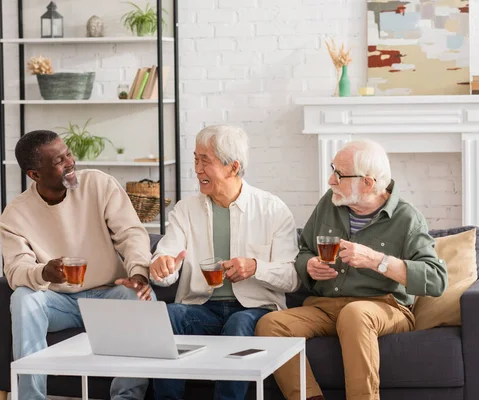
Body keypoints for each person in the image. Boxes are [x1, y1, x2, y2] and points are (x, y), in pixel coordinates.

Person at [256, 140, 448, 400]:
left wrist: (377, 260)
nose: (330, 180)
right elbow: (303, 251)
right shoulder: (329, 204)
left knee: (354, 314)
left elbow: (436, 279)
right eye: (332, 169)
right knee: (270, 324)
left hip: (384, 307)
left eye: (339, 174)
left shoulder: (407, 218)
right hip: (325, 306)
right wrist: (309, 266)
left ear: (367, 183)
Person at [0, 130, 153, 400]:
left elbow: (131, 234)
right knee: (23, 298)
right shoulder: (15, 214)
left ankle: (126, 397)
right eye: (59, 160)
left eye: (68, 153)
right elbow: (15, 271)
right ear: (34, 174)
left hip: (108, 294)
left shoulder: (99, 184)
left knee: (139, 298)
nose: (70, 161)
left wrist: (139, 271)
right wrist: (42, 272)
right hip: (57, 301)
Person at [150, 124, 300, 400]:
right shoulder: (185, 210)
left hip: (255, 309)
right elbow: (166, 259)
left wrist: (256, 267)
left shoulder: (272, 209)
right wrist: (162, 266)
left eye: (205, 161)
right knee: (167, 316)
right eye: (195, 159)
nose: (197, 169)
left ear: (233, 167)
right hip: (202, 308)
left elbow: (291, 279)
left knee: (239, 324)